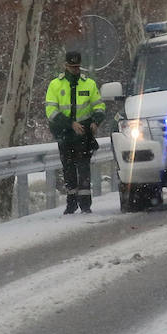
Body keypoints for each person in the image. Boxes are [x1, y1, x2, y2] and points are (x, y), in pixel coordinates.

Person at [45, 51, 106, 214]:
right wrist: (70, 124)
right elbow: (51, 111)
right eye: (72, 67)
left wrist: (95, 121)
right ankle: (71, 203)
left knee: (84, 167)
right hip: (65, 134)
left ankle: (86, 204)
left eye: (77, 67)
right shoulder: (55, 85)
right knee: (68, 168)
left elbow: (99, 106)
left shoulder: (89, 84)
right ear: (65, 66)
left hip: (83, 134)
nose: (75, 70)